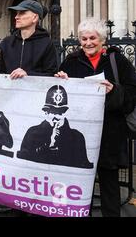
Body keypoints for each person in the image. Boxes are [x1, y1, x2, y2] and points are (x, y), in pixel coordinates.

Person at [55, 18, 136, 217]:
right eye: (84, 39)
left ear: (102, 40)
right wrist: (62, 82)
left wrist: (114, 90)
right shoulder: (71, 61)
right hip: (80, 134)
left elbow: (132, 92)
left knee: (109, 184)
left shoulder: (117, 61)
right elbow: (60, 96)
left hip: (109, 133)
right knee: (80, 184)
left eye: (93, 38)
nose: (88, 42)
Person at [17, 85, 93, 169]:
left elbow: (83, 168)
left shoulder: (77, 137)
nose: (55, 117)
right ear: (45, 113)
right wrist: (49, 145)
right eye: (52, 112)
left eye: (60, 113)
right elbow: (23, 163)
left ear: (65, 114)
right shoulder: (32, 133)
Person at [0, 0, 58, 78]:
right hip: (10, 89)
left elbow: (51, 74)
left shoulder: (46, 43)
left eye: (22, 13)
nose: (16, 17)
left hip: (34, 89)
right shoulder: (7, 42)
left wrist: (28, 75)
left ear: (35, 18)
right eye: (17, 13)